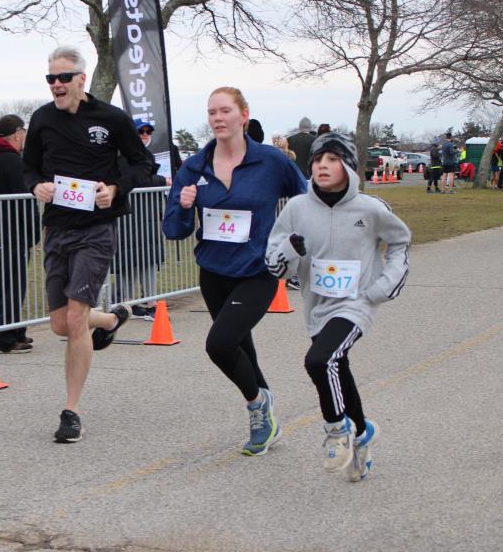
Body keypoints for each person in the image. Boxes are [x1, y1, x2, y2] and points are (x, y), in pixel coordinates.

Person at [163, 87, 307, 456]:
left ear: (243, 115)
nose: (217, 118)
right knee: (240, 346)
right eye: (212, 112)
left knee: (220, 343)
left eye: (225, 110)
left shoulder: (270, 161)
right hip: (214, 272)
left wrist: (296, 240)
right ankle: (266, 416)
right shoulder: (195, 167)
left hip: (258, 269)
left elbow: (305, 198)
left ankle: (257, 405)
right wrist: (183, 207)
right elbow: (173, 230)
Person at [24, 45, 154, 443]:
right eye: (51, 78)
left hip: (96, 230)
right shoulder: (42, 119)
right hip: (57, 230)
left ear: (82, 79)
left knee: (77, 318)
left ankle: (71, 411)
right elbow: (28, 166)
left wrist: (115, 189)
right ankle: (110, 320)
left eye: (64, 77)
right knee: (60, 324)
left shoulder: (111, 119)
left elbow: (143, 163)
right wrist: (36, 185)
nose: (56, 85)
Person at [266, 132, 410, 481]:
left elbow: (400, 242)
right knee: (337, 368)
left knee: (319, 360)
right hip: (316, 306)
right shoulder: (297, 208)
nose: (322, 166)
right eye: (317, 160)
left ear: (349, 166)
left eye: (332, 159)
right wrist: (289, 250)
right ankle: (363, 433)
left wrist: (383, 286)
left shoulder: (370, 208)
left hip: (357, 303)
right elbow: (274, 265)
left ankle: (337, 430)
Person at [0, 114, 40, 353]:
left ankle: (16, 331)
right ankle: (5, 338)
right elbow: (25, 200)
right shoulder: (13, 161)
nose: (24, 136)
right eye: (23, 132)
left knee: (5, 284)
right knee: (13, 285)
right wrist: (34, 231)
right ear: (17, 133)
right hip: (11, 234)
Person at [117, 120, 167, 320]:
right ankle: (130, 304)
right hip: (130, 216)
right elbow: (133, 180)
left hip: (146, 215)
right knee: (129, 261)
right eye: (141, 131)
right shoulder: (123, 155)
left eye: (148, 131)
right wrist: (162, 181)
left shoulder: (145, 154)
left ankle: (148, 302)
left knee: (148, 260)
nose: (145, 134)